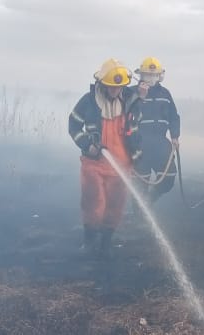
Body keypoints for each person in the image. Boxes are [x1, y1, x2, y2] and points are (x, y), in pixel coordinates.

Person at [68, 58, 137, 256]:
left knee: (115, 207)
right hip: (94, 163)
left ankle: (106, 243)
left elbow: (136, 128)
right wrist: (87, 145)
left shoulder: (129, 100)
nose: (116, 91)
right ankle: (89, 242)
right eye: (111, 87)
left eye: (119, 87)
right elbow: (73, 125)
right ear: (102, 84)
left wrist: (137, 156)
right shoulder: (88, 101)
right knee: (94, 204)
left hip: (122, 166)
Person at [125, 56, 181, 204]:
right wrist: (139, 96)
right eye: (147, 75)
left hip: (161, 142)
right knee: (139, 184)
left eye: (154, 75)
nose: (150, 78)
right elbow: (126, 113)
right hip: (139, 144)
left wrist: (175, 136)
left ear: (160, 76)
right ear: (141, 75)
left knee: (169, 177)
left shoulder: (165, 94)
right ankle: (139, 216)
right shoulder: (131, 92)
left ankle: (152, 196)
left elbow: (174, 117)